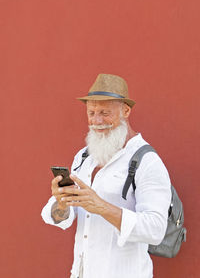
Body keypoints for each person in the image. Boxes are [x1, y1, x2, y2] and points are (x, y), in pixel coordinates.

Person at [41, 73, 171, 278]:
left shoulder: (147, 161)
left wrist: (101, 206)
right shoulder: (84, 156)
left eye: (104, 112)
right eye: (91, 112)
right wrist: (61, 203)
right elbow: (60, 217)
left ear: (126, 111)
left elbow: (155, 230)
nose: (96, 120)